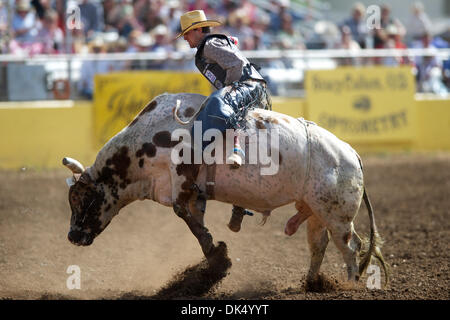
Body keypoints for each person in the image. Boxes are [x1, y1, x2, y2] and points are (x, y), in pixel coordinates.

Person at [176, 10, 272, 229]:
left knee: (216, 105)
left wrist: (229, 90)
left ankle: (195, 160)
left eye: (187, 34)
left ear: (198, 30)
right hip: (250, 88)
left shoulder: (210, 46)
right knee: (216, 108)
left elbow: (236, 65)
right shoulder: (208, 47)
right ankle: (239, 202)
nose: (185, 38)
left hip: (247, 86)